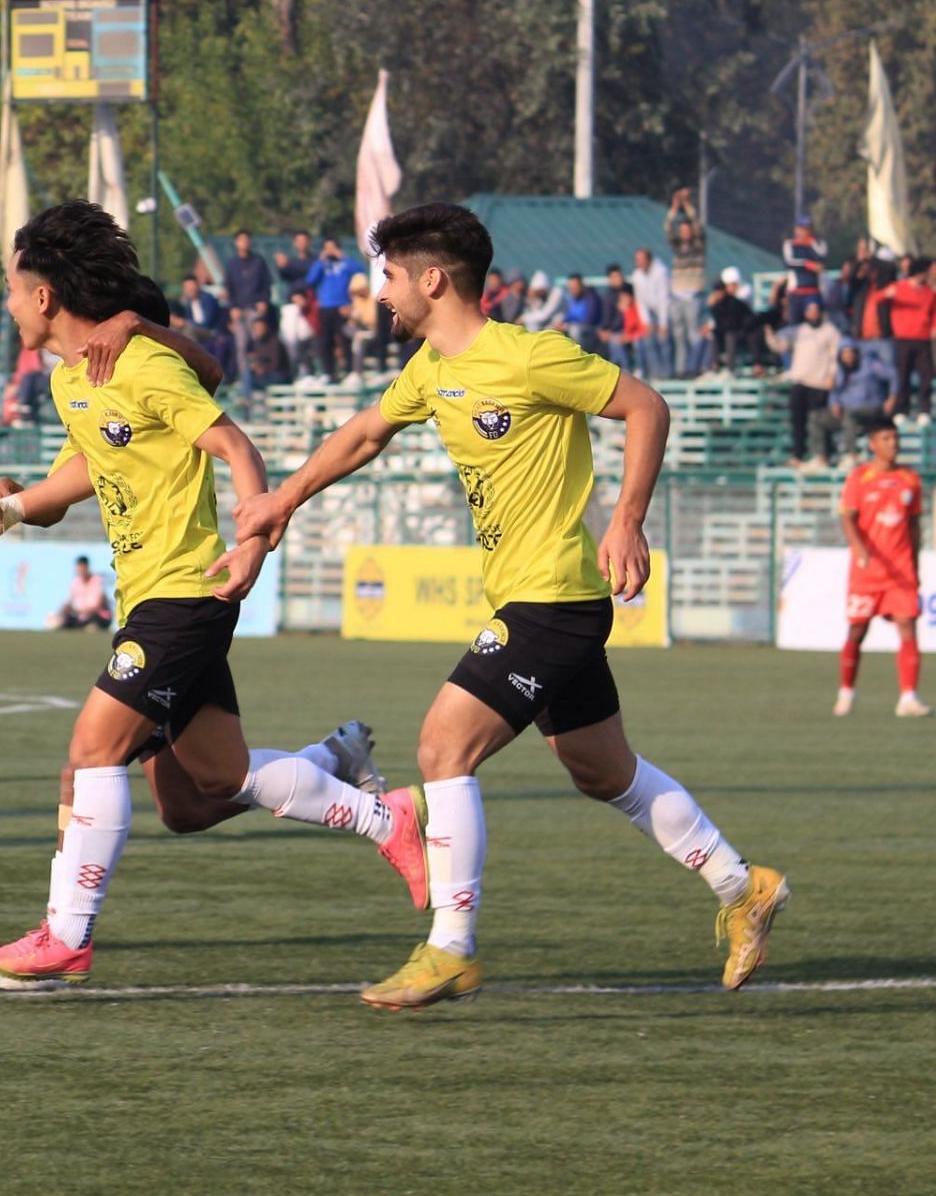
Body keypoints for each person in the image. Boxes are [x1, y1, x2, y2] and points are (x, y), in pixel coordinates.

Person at [231, 201, 787, 1009]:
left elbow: (646, 407)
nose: (377, 290)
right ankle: (745, 887)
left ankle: (450, 946)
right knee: (603, 770)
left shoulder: (529, 357)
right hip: (533, 596)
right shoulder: (429, 367)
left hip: (553, 595)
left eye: (388, 275)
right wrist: (284, 498)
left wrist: (627, 519)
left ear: (433, 278)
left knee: (441, 748)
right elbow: (359, 436)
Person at [0, 199, 428, 989]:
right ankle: (376, 802)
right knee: (200, 792)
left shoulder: (141, 364)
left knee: (89, 754)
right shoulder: (73, 380)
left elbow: (231, 441)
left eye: (12, 289)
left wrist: (252, 541)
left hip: (187, 595)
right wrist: (5, 510)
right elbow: (78, 477)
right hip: (150, 601)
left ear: (44, 296)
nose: (7, 305)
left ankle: (65, 936)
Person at [834, 421, 928, 718]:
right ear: (872, 443)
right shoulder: (860, 477)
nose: (893, 443)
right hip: (868, 571)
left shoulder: (909, 479)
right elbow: (848, 518)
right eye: (886, 438)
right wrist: (860, 550)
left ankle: (908, 697)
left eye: (895, 438)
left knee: (907, 626)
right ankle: (846, 691)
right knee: (857, 630)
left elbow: (914, 525)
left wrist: (914, 562)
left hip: (900, 570)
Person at [766, 300, 842, 467]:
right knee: (798, 422)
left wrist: (832, 376)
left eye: (816, 310)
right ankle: (798, 455)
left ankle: (825, 455)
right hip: (800, 382)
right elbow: (780, 345)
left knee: (819, 421)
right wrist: (769, 332)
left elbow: (835, 357)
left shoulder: (830, 332)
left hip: (819, 383)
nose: (813, 313)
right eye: (810, 310)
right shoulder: (798, 331)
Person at [878, 258, 936, 424]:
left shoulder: (928, 292)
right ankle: (901, 410)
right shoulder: (899, 287)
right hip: (903, 339)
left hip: (923, 339)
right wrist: (886, 294)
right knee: (903, 376)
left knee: (926, 376)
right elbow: (877, 298)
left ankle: (924, 410)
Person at [664, 189, 707, 373]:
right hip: (677, 295)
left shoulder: (698, 246)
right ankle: (682, 370)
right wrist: (674, 208)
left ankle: (695, 367)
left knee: (693, 334)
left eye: (687, 230)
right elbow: (667, 228)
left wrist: (688, 205)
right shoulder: (677, 246)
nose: (685, 233)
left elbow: (698, 225)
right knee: (679, 336)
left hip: (693, 295)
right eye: (682, 230)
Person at [830, 341, 894, 458]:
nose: (848, 356)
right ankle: (822, 457)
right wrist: (834, 402)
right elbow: (835, 391)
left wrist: (892, 397)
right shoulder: (840, 371)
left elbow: (893, 375)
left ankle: (851, 454)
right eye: (845, 353)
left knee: (850, 415)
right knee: (817, 418)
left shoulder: (870, 365)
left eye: (850, 352)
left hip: (871, 409)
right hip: (845, 412)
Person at [307, 238, 357, 378]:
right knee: (325, 341)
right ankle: (328, 372)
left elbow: (359, 270)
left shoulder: (345, 262)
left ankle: (349, 371)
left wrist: (343, 257)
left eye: (332, 247)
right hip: (325, 306)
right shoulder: (321, 264)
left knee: (345, 339)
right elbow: (310, 281)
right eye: (327, 247)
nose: (330, 251)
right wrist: (320, 261)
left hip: (343, 306)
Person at [627, 249, 672, 376]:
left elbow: (664, 298)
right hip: (650, 313)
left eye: (642, 259)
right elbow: (640, 301)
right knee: (648, 341)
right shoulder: (637, 275)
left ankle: (667, 374)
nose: (639, 263)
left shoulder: (661, 271)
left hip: (665, 310)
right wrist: (646, 321)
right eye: (637, 260)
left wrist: (663, 324)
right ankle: (655, 373)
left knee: (664, 341)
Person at [708, 273, 757, 373]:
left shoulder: (734, 302)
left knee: (730, 336)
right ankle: (714, 367)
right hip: (727, 332)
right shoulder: (717, 305)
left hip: (741, 332)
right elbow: (718, 324)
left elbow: (736, 323)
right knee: (714, 335)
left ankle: (731, 370)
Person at [52, 555, 112, 630]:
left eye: (83, 568)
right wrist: (65, 610)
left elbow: (96, 605)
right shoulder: (76, 582)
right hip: (81, 616)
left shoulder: (97, 581)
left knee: (93, 621)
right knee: (66, 621)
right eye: (79, 568)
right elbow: (69, 601)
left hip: (97, 616)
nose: (81, 570)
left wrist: (78, 611)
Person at [245, 311, 291, 387]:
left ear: (266, 327)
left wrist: (262, 368)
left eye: (260, 327)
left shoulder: (275, 342)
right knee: (247, 373)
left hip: (277, 374)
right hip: (262, 374)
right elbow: (251, 359)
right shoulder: (254, 343)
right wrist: (254, 365)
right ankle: (247, 397)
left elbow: (276, 364)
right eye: (256, 328)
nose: (258, 330)